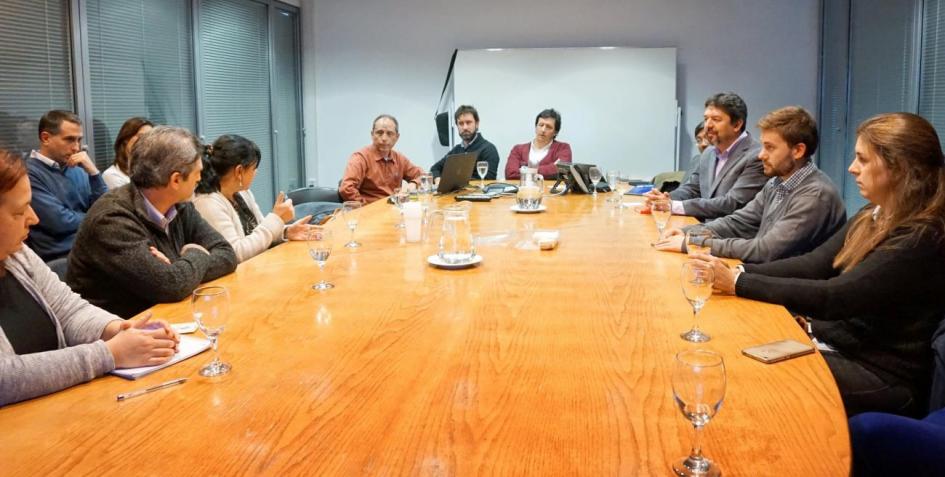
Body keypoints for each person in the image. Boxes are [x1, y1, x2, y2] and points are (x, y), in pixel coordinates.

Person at [697, 113, 945, 417]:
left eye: (863, 160)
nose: (852, 168)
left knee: (750, 376)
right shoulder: (874, 213)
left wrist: (738, 283)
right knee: (737, 346)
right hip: (842, 346)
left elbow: (838, 296)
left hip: (881, 374)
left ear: (900, 169)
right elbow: (813, 265)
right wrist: (737, 273)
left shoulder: (923, 235)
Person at [0, 147, 179, 407]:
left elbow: (69, 310)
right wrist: (108, 354)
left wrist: (119, 330)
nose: (33, 218)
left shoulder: (17, 254)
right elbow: (5, 378)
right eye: (19, 212)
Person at [67, 126, 238, 318]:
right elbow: (171, 286)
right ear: (175, 180)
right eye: (197, 172)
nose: (200, 177)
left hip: (166, 317)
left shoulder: (180, 205)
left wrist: (175, 266)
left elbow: (227, 254)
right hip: (120, 333)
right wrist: (195, 254)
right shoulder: (111, 220)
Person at [654, 107, 846, 263]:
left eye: (770, 147)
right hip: (763, 280)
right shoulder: (776, 183)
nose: (761, 154)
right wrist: (686, 232)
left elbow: (765, 250)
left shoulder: (815, 195)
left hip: (790, 303)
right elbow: (737, 222)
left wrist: (692, 243)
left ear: (798, 150)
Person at [193, 134, 314, 263]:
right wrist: (276, 218)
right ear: (239, 171)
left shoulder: (242, 193)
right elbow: (235, 254)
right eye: (253, 168)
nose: (256, 172)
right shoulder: (208, 203)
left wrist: (286, 232)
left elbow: (261, 232)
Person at [645, 92, 766, 221]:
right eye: (706, 119)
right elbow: (692, 188)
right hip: (705, 230)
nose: (708, 125)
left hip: (732, 237)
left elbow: (732, 203)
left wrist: (673, 206)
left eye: (716, 119)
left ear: (737, 124)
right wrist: (665, 198)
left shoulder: (757, 156)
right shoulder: (709, 152)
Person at [25, 110, 108, 261]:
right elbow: (61, 222)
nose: (76, 148)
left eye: (79, 140)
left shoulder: (77, 168)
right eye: (69, 140)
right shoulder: (29, 174)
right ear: (46, 138)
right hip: (62, 258)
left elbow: (106, 207)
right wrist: (97, 217)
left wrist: (94, 174)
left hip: (93, 249)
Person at [339, 114, 424, 204]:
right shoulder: (360, 157)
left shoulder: (399, 158)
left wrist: (413, 184)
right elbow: (346, 188)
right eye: (379, 133)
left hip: (393, 208)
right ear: (372, 135)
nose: (384, 138)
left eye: (389, 133)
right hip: (370, 212)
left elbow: (422, 176)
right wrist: (364, 206)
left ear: (397, 137)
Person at [429, 105, 500, 181]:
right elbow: (434, 169)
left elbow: (487, 179)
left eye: (468, 122)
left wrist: (453, 180)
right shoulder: (456, 150)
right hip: (455, 192)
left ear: (477, 124)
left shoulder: (489, 149)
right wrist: (437, 179)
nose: (465, 127)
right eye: (461, 123)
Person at [505, 108, 572, 180]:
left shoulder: (563, 148)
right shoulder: (518, 149)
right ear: (536, 126)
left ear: (555, 132)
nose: (543, 130)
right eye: (541, 125)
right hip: (523, 190)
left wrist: (525, 170)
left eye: (548, 127)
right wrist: (547, 170)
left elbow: (561, 170)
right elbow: (510, 174)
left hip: (548, 191)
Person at [102, 117, 154, 189]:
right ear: (126, 139)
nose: (147, 141)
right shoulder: (112, 175)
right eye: (141, 136)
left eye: (151, 138)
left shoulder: (153, 170)